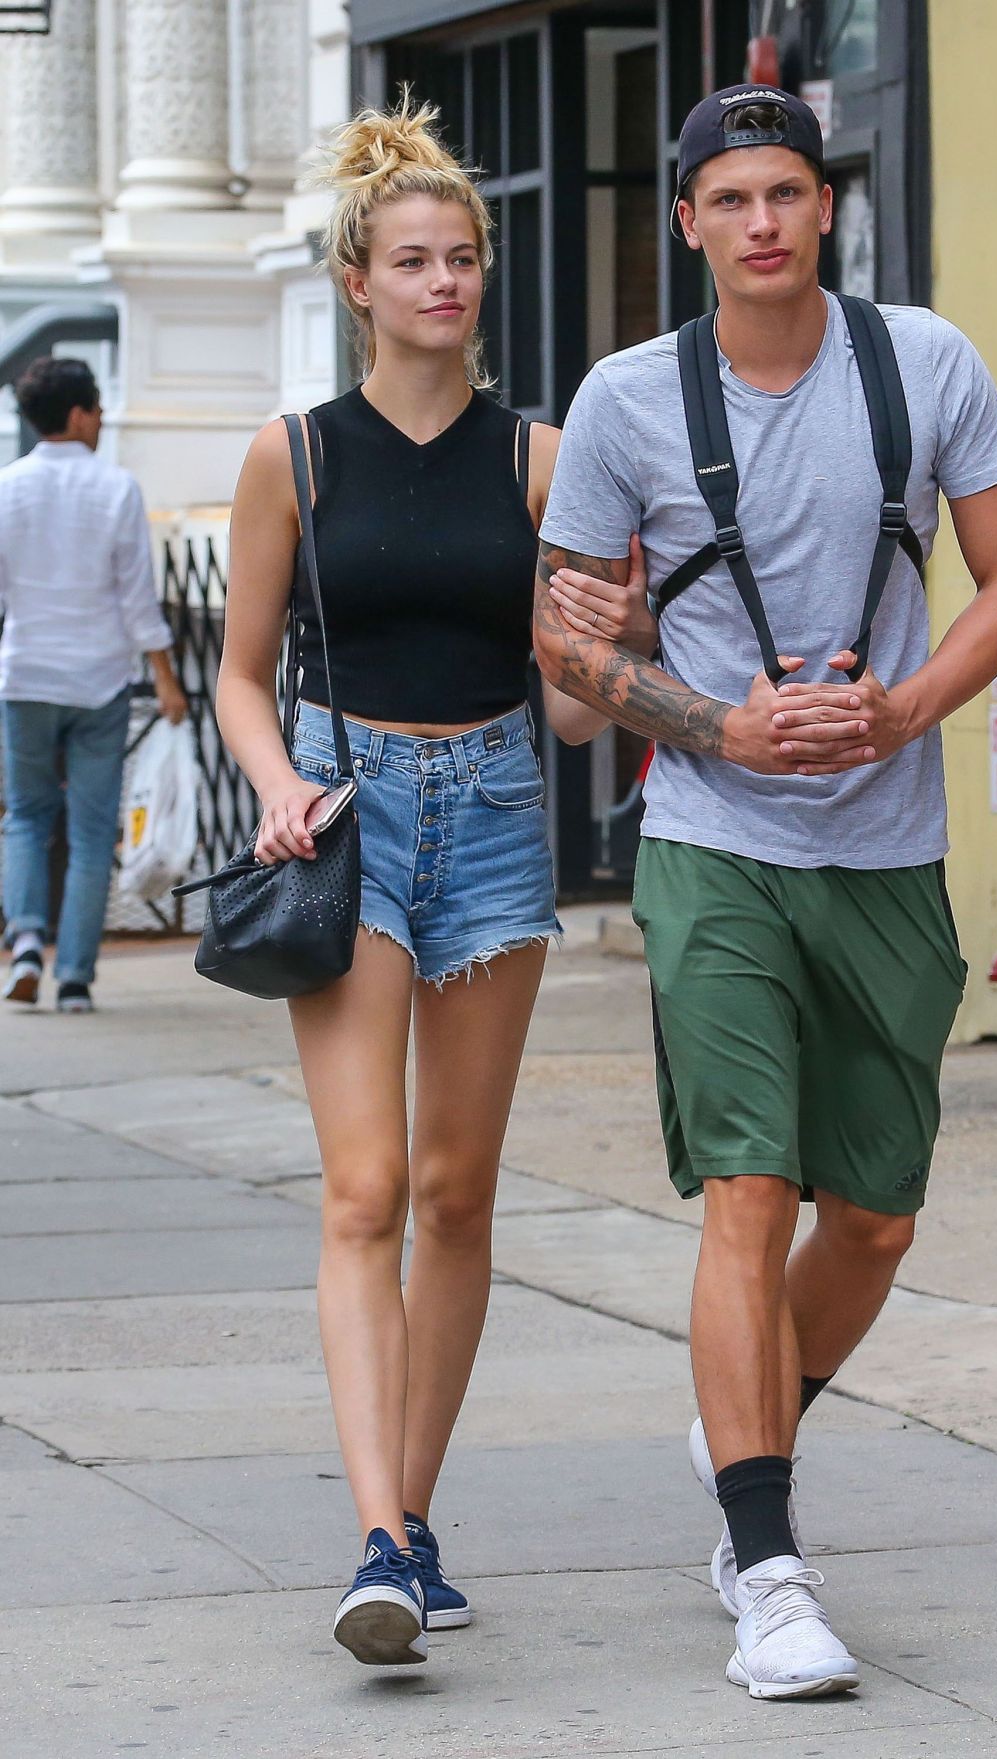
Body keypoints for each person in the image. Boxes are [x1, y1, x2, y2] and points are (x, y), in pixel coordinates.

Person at [535, 85, 997, 1701]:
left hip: (887, 844)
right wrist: (720, 725)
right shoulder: (626, 400)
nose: (762, 221)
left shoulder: (925, 364)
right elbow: (567, 646)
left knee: (875, 1215)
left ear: (827, 207)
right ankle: (767, 1568)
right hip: (715, 840)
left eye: (787, 192)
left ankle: (742, 1424)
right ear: (687, 222)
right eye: (731, 198)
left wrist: (905, 709)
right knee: (747, 1190)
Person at [215, 97, 656, 1670]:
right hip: (347, 810)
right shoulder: (294, 455)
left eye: (462, 258)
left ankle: (413, 1513)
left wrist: (616, 632)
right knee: (367, 1188)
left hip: (496, 809)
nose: (444, 282)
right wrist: (278, 788)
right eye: (414, 260)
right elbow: (242, 674)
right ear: (358, 280)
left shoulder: (543, 461)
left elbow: (575, 715)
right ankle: (379, 1537)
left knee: (460, 1190)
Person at [0, 357, 187, 1014]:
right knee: (90, 831)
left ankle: (26, 943)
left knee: (25, 817)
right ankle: (75, 977)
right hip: (100, 680)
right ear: (79, 414)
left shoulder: (7, 487)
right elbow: (138, 600)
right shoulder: (116, 488)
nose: (103, 420)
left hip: (25, 676)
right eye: (99, 409)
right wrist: (166, 678)